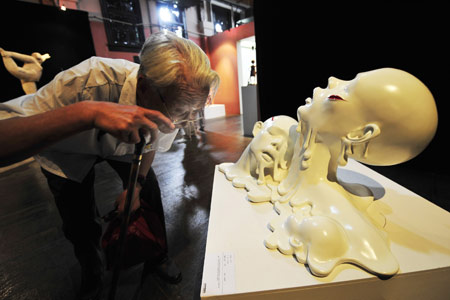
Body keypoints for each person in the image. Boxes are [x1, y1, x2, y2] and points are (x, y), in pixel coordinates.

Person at [0, 31, 220, 300]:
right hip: (68, 149)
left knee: (149, 190)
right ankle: (92, 274)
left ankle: (157, 255)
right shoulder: (86, 81)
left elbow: (151, 144)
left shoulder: (173, 99)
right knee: (77, 219)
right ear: (143, 86)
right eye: (181, 111)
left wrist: (136, 186)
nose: (181, 121)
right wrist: (86, 114)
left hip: (126, 148)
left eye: (192, 112)